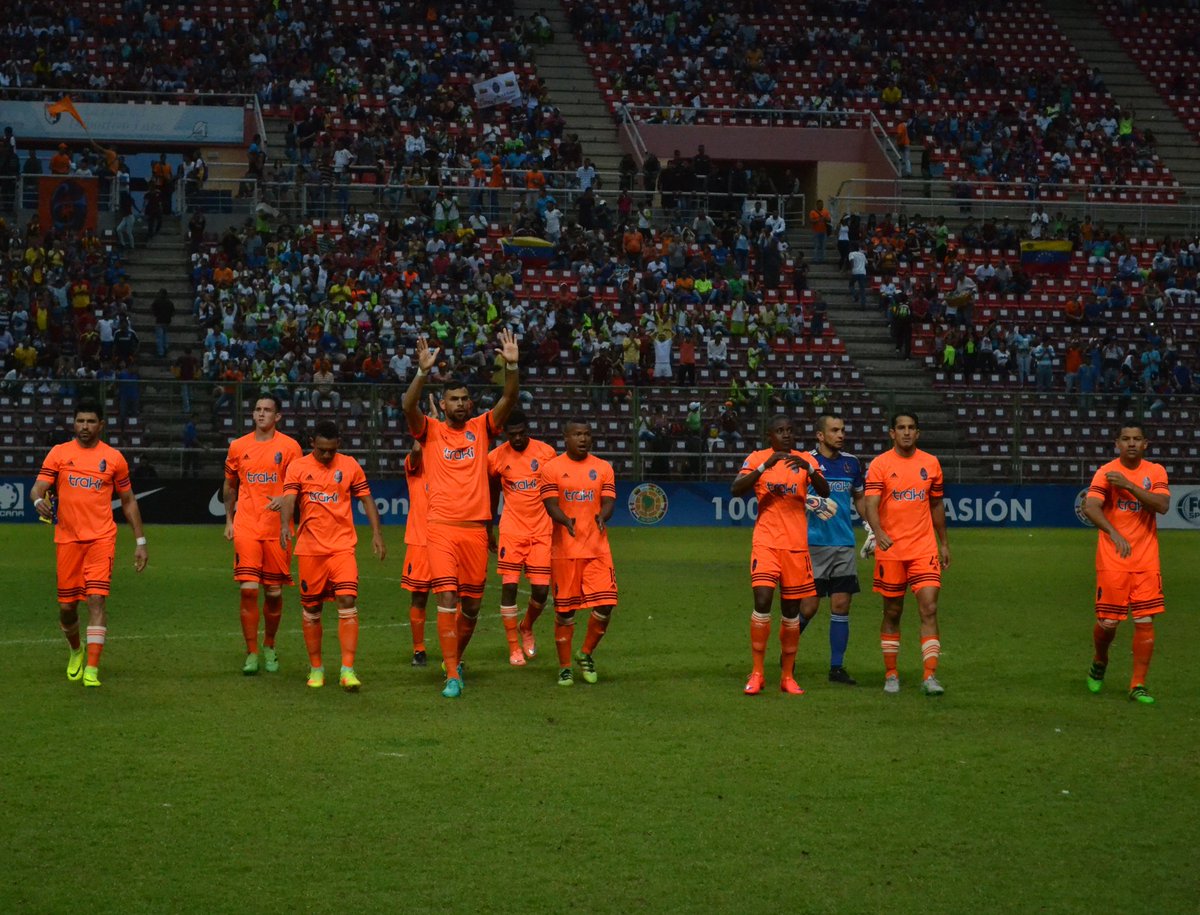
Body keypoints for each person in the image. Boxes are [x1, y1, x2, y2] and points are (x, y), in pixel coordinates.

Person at [401, 328, 521, 698]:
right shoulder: (430, 431)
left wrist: (512, 366)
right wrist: (421, 373)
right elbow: (408, 407)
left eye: (465, 399)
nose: (460, 404)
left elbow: (509, 398)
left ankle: (454, 658)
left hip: (474, 530)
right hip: (440, 529)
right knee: (447, 599)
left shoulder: (481, 428)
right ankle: (452, 674)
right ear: (444, 401)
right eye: (454, 399)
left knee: (471, 606)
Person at [30, 400, 148, 687]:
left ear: (101, 425)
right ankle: (75, 650)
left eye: (90, 421)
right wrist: (36, 501)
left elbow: (129, 501)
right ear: (74, 423)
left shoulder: (114, 458)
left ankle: (92, 669)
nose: (85, 426)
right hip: (68, 539)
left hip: (101, 538)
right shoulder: (59, 453)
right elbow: (39, 487)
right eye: (80, 421)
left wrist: (140, 541)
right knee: (67, 607)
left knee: (96, 600)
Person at [279, 420, 386, 691]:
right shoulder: (298, 467)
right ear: (312, 443)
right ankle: (316, 668)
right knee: (312, 608)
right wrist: (284, 525)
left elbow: (366, 499)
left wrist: (376, 534)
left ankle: (347, 670)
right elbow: (289, 499)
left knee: (347, 599)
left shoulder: (349, 465)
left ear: (338, 443)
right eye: (321, 450)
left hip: (342, 547)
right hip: (310, 549)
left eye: (331, 450)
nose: (326, 455)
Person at [732, 415, 831, 695]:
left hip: (796, 546)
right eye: (780, 431)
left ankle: (787, 676)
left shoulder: (804, 459)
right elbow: (736, 489)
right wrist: (765, 465)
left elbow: (825, 492)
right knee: (762, 600)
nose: (786, 435)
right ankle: (757, 673)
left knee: (791, 612)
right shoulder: (757, 458)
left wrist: (810, 470)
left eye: (790, 430)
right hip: (766, 543)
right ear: (769, 436)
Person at [861, 412, 950, 696]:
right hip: (891, 550)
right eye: (901, 428)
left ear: (918, 433)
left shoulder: (931, 464)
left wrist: (944, 543)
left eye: (911, 428)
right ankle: (891, 673)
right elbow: (871, 503)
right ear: (892, 433)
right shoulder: (880, 465)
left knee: (929, 608)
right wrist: (878, 532)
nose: (907, 432)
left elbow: (936, 505)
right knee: (893, 611)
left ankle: (930, 675)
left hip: (924, 548)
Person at [1081, 423, 1170, 704]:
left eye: (1137, 439)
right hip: (1113, 559)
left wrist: (1129, 485)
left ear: (1146, 444)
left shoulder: (1155, 471)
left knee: (1144, 620)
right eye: (1125, 439)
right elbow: (1091, 506)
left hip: (1146, 560)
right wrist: (1113, 532)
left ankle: (1138, 684)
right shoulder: (1105, 472)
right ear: (1116, 444)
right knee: (1108, 623)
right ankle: (1099, 660)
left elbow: (1162, 505)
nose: (1131, 443)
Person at [222, 395, 303, 675]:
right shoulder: (238, 447)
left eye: (267, 410)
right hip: (246, 526)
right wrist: (229, 520)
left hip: (277, 529)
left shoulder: (290, 448)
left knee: (273, 592)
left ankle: (269, 644)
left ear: (278, 417)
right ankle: (251, 652)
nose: (261, 414)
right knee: (247, 590)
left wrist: (285, 498)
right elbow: (230, 486)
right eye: (257, 409)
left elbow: (300, 486)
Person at [539, 418, 618, 686]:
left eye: (586, 434)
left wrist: (601, 516)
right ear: (566, 438)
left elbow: (608, 502)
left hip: (597, 549)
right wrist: (564, 520)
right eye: (577, 434)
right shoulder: (552, 469)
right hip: (565, 550)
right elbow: (550, 504)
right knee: (565, 612)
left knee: (606, 604)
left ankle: (585, 653)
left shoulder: (603, 468)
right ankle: (564, 667)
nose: (583, 439)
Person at [488, 410, 557, 666]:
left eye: (521, 433)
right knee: (509, 587)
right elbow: (491, 492)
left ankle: (526, 627)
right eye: (512, 434)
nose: (517, 439)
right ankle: (513, 647)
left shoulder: (546, 453)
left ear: (528, 430)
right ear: (505, 434)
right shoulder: (496, 458)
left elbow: (554, 491)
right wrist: (489, 528)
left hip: (541, 530)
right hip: (512, 530)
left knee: (541, 591)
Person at [807, 414, 870, 685]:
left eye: (843, 430)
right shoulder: (806, 462)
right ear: (820, 435)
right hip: (812, 544)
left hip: (844, 543)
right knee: (808, 608)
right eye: (834, 430)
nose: (841, 434)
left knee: (841, 606)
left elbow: (860, 498)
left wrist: (870, 527)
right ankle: (787, 656)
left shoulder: (851, 464)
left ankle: (836, 667)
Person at [401, 442, 433, 667]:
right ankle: (418, 649)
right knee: (419, 596)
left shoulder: (449, 466)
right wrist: (421, 439)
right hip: (420, 542)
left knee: (453, 596)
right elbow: (414, 453)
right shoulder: (415, 465)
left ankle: (455, 651)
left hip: (448, 539)